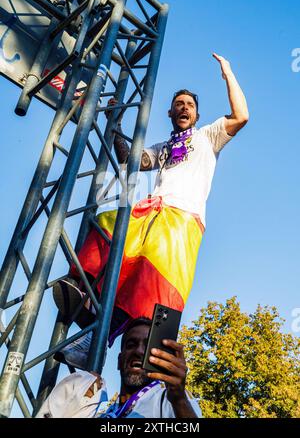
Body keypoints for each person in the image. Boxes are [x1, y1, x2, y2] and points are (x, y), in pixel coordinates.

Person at [53, 53, 249, 367]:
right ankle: (82, 294)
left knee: (147, 289)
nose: (184, 108)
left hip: (181, 220)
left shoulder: (207, 137)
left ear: (197, 115)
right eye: (179, 104)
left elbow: (241, 116)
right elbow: (129, 158)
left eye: (190, 105)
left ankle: (101, 343)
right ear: (170, 112)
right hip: (151, 213)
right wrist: (113, 122)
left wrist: (227, 72)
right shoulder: (165, 149)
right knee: (107, 225)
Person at [36, 318, 201, 418]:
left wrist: (179, 399)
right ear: (119, 361)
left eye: (148, 347)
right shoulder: (105, 412)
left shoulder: (169, 400)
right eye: (131, 344)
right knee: (84, 382)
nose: (138, 351)